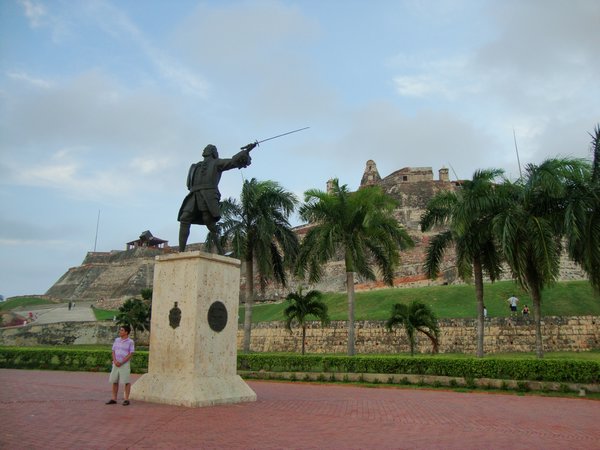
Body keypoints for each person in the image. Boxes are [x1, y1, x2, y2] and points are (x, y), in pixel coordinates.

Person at [177, 143, 255, 252]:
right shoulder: (195, 166)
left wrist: (246, 151)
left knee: (209, 222)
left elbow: (232, 161)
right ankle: (181, 252)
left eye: (209, 149)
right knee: (184, 218)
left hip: (208, 195)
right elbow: (188, 183)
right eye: (205, 148)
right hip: (194, 195)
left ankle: (219, 249)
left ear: (213, 153)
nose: (206, 149)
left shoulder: (217, 163)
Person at [106, 325, 135, 406]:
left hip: (124, 364)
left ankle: (126, 399)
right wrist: (115, 360)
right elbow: (113, 351)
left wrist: (122, 362)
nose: (120, 331)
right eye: (120, 330)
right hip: (115, 363)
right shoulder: (117, 340)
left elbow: (131, 353)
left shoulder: (130, 342)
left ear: (126, 332)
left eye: (122, 330)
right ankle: (114, 398)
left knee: (126, 381)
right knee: (114, 381)